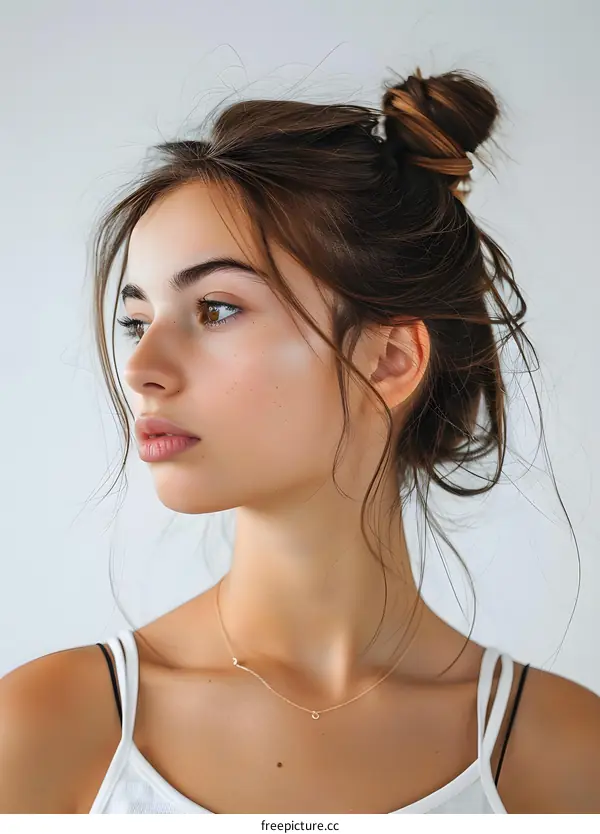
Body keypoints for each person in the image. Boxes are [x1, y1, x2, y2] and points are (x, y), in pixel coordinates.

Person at [1, 67, 599, 815]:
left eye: (215, 309)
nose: (141, 368)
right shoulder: (49, 728)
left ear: (388, 359)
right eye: (135, 319)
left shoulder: (563, 754)